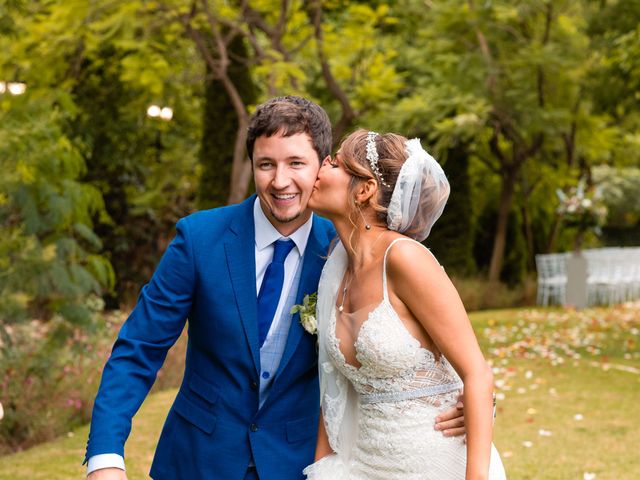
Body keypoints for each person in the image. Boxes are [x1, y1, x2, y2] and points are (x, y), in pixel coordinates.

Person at [84, 98, 467, 480]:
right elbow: (139, 349)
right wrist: (105, 457)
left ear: (323, 165)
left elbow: (421, 342)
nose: (279, 181)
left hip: (296, 465)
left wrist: (471, 399)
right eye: (266, 164)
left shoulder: (348, 252)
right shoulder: (198, 239)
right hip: (198, 461)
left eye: (296, 164)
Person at [304, 129, 506, 479]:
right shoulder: (336, 267)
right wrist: (322, 468)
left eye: (334, 163)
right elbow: (333, 388)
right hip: (363, 467)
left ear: (364, 189)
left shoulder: (405, 259)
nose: (322, 166)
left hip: (433, 463)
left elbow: (477, 373)